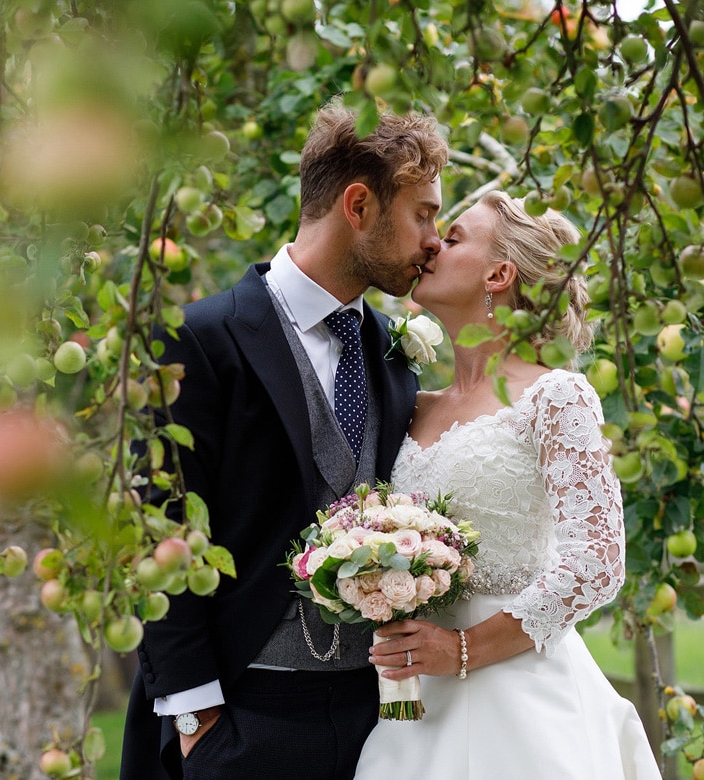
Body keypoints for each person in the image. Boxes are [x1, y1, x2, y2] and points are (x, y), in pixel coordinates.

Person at [120, 102, 449, 780]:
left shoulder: (394, 354)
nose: (433, 241)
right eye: (423, 214)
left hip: (373, 726)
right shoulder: (198, 341)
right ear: (358, 205)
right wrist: (196, 724)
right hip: (240, 719)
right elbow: (158, 533)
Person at [355, 191, 662, 779]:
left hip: (523, 701)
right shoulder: (411, 404)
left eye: (454, 238)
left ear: (499, 274)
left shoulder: (557, 396)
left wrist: (464, 651)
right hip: (414, 705)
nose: (430, 247)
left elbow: (597, 562)